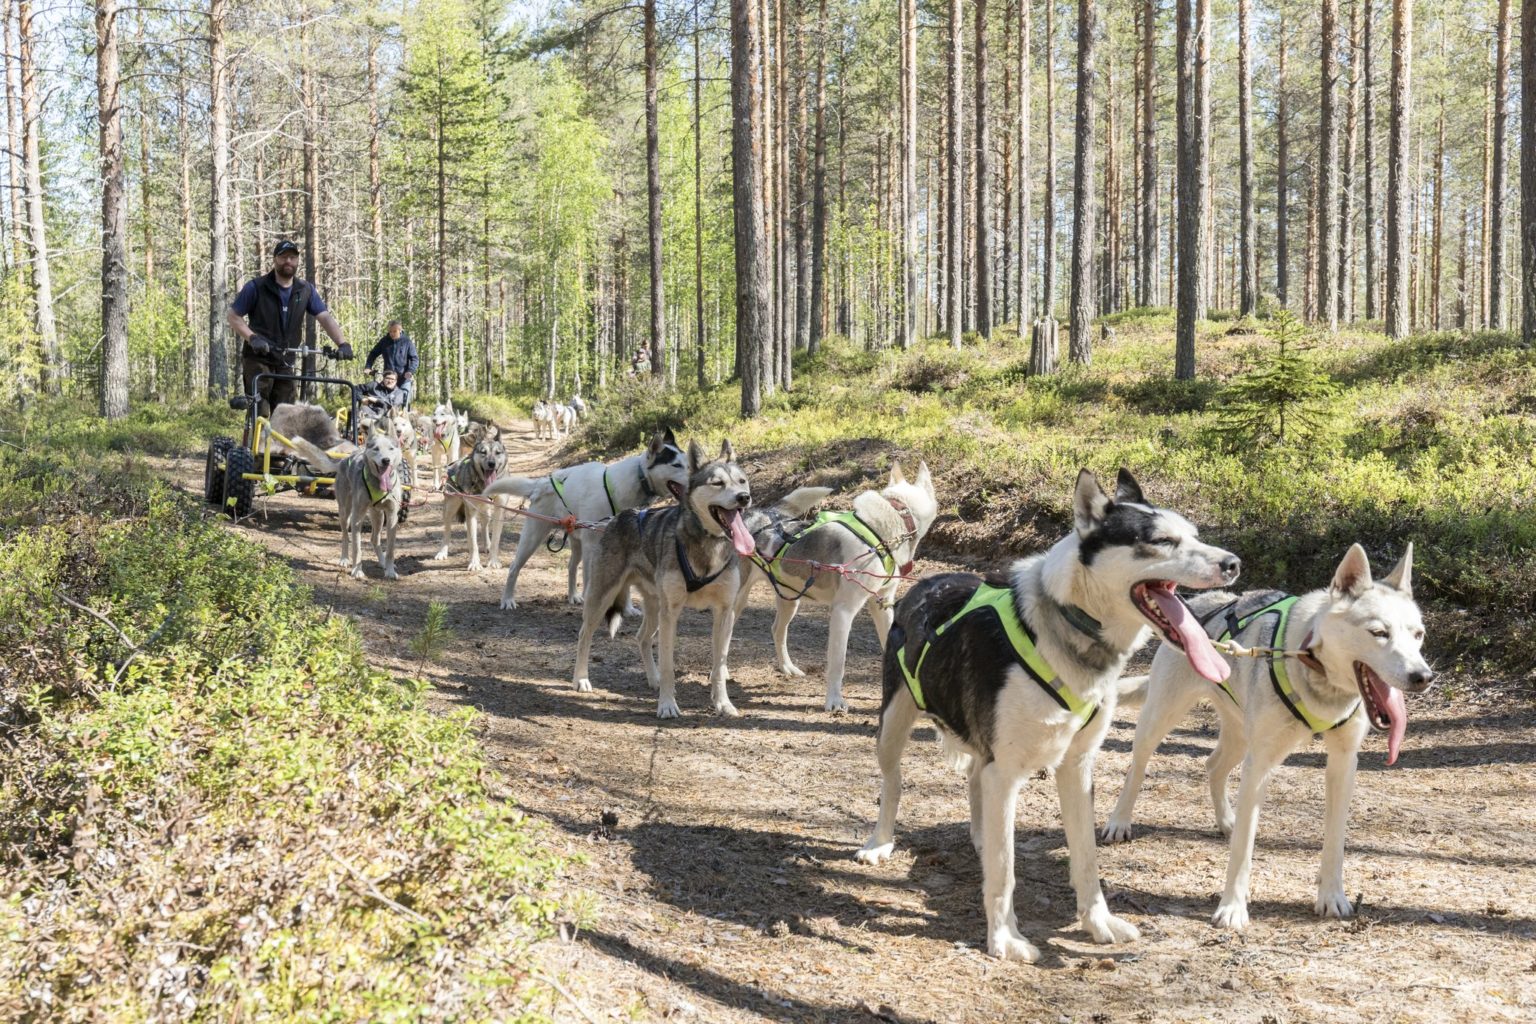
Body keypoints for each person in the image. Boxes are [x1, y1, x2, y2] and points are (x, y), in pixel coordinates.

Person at [227, 239, 353, 416]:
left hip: (286, 359)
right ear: (275, 259)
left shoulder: (305, 290)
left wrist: (343, 343)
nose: (288, 261)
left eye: (292, 257)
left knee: (286, 414)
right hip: (258, 358)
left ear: (297, 261)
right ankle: (257, 443)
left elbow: (324, 317)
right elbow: (233, 316)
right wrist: (253, 338)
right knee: (260, 410)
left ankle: (281, 444)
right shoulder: (256, 287)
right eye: (283, 257)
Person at [365, 319, 420, 409]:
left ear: (400, 330)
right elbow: (373, 353)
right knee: (385, 400)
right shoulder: (384, 341)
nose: (392, 333)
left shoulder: (407, 342)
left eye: (394, 331)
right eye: (390, 331)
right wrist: (368, 367)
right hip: (389, 378)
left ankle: (405, 419)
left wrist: (410, 371)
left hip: (403, 377)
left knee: (404, 400)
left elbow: (415, 359)